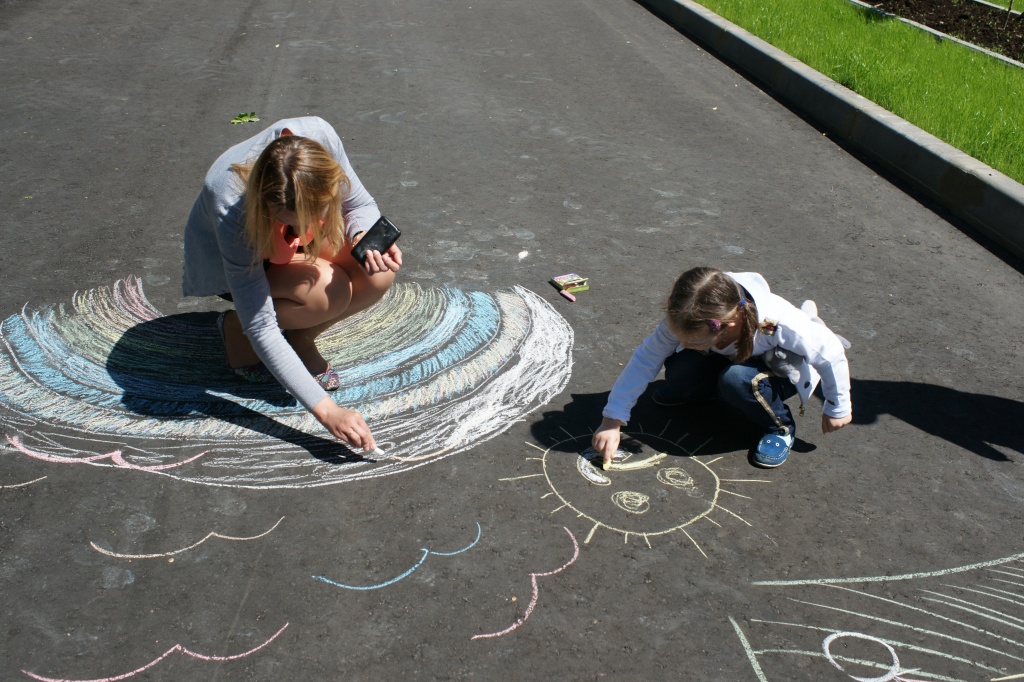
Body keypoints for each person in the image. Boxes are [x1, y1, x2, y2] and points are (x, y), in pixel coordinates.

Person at [182, 116, 401, 451]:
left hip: (286, 243)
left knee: (378, 270)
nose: (314, 224)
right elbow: (263, 325)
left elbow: (360, 205)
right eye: (296, 220)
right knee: (327, 292)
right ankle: (234, 334)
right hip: (245, 260)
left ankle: (301, 336)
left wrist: (362, 236)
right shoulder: (230, 201)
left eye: (322, 212)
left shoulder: (319, 137)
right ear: (267, 207)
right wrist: (327, 412)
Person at [591, 267, 851, 468]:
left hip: (778, 370)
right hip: (731, 360)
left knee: (737, 380)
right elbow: (646, 358)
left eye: (692, 340)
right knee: (681, 369)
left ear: (727, 325)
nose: (682, 342)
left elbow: (829, 353)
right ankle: (716, 394)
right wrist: (613, 419)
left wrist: (837, 406)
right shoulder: (691, 314)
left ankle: (780, 428)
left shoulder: (779, 322)